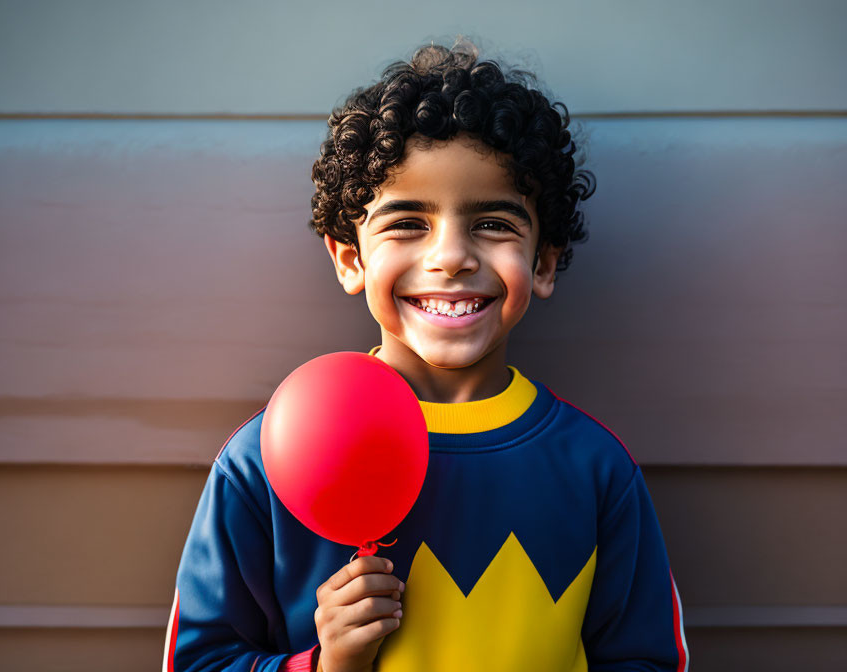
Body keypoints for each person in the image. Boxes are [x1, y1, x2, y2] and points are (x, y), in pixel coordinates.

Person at [163, 39, 689, 672]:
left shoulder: (594, 468)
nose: (450, 257)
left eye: (493, 223)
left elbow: (647, 658)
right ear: (350, 258)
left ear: (543, 263)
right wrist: (326, 666)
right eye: (407, 222)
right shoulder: (264, 462)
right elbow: (199, 659)